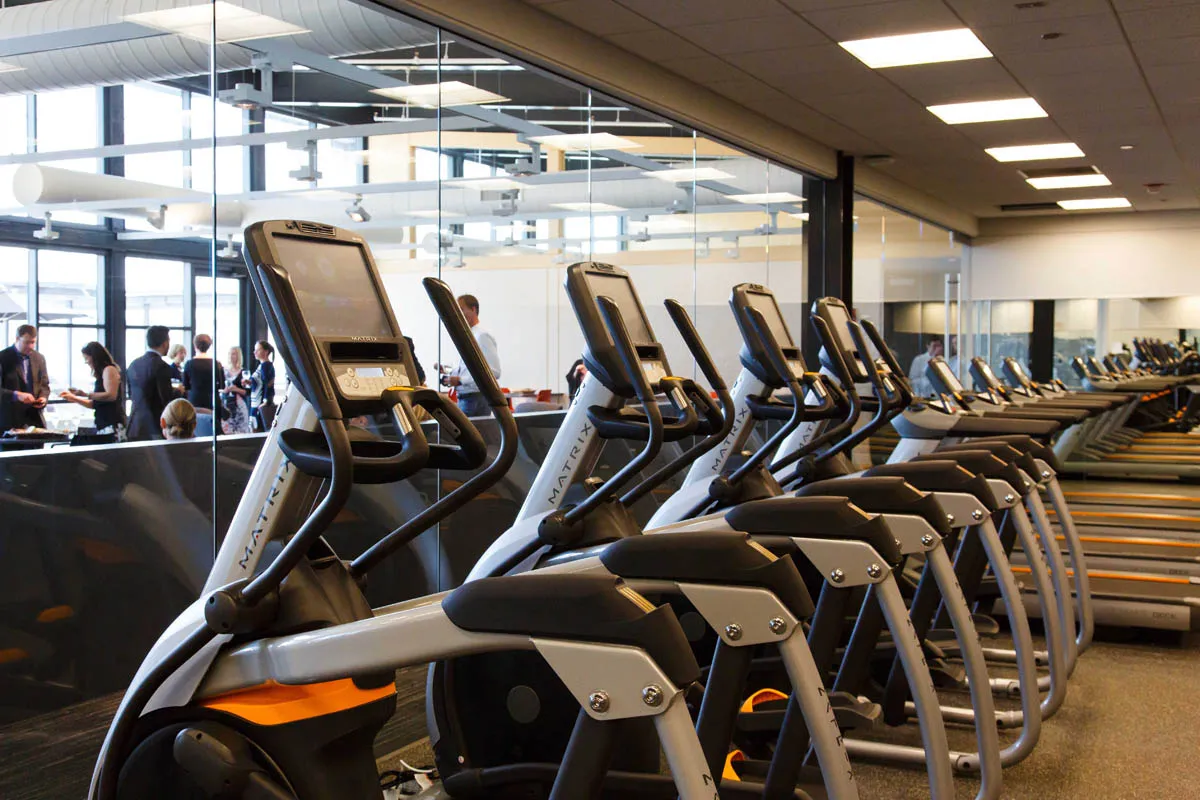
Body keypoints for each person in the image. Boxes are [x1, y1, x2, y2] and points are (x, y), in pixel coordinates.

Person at [437, 294, 500, 417]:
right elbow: (469, 369)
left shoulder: (481, 336)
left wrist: (461, 380)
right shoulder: (469, 335)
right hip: (467, 398)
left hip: (474, 399)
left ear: (473, 309)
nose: (458, 314)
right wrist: (448, 371)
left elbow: (494, 372)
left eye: (461, 309)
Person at [60, 342, 126, 439]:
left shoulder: (109, 369)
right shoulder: (102, 373)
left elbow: (111, 395)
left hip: (112, 424)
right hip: (103, 423)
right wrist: (75, 398)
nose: (86, 362)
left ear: (95, 357)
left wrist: (86, 394)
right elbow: (95, 404)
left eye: (87, 358)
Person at [127, 325, 174, 441]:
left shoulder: (134, 364)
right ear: (164, 343)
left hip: (134, 426)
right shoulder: (162, 366)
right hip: (154, 427)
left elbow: (130, 394)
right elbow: (166, 399)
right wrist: (178, 392)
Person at [0, 324, 50, 431]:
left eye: (33, 342)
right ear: (17, 339)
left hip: (34, 420)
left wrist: (43, 398)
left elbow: (44, 385)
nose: (31, 346)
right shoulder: (2, 358)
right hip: (9, 422)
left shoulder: (39, 358)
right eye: (27, 342)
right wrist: (16, 395)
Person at [183, 334, 226, 413]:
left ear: (195, 346)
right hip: (212, 401)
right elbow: (222, 386)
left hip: (194, 401)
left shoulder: (189, 364)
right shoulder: (217, 364)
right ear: (209, 346)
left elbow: (186, 386)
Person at [222, 346, 251, 434]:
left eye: (233, 354)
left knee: (241, 431)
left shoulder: (244, 372)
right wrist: (225, 390)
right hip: (226, 405)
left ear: (238, 356)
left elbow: (247, 392)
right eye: (230, 354)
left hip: (240, 406)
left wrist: (235, 389)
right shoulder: (223, 371)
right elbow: (219, 388)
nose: (231, 356)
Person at [249, 340, 277, 433]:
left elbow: (269, 384)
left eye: (258, 350)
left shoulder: (266, 366)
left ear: (266, 352)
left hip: (260, 403)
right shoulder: (261, 366)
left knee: (258, 430)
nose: (255, 352)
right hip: (256, 402)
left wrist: (266, 400)